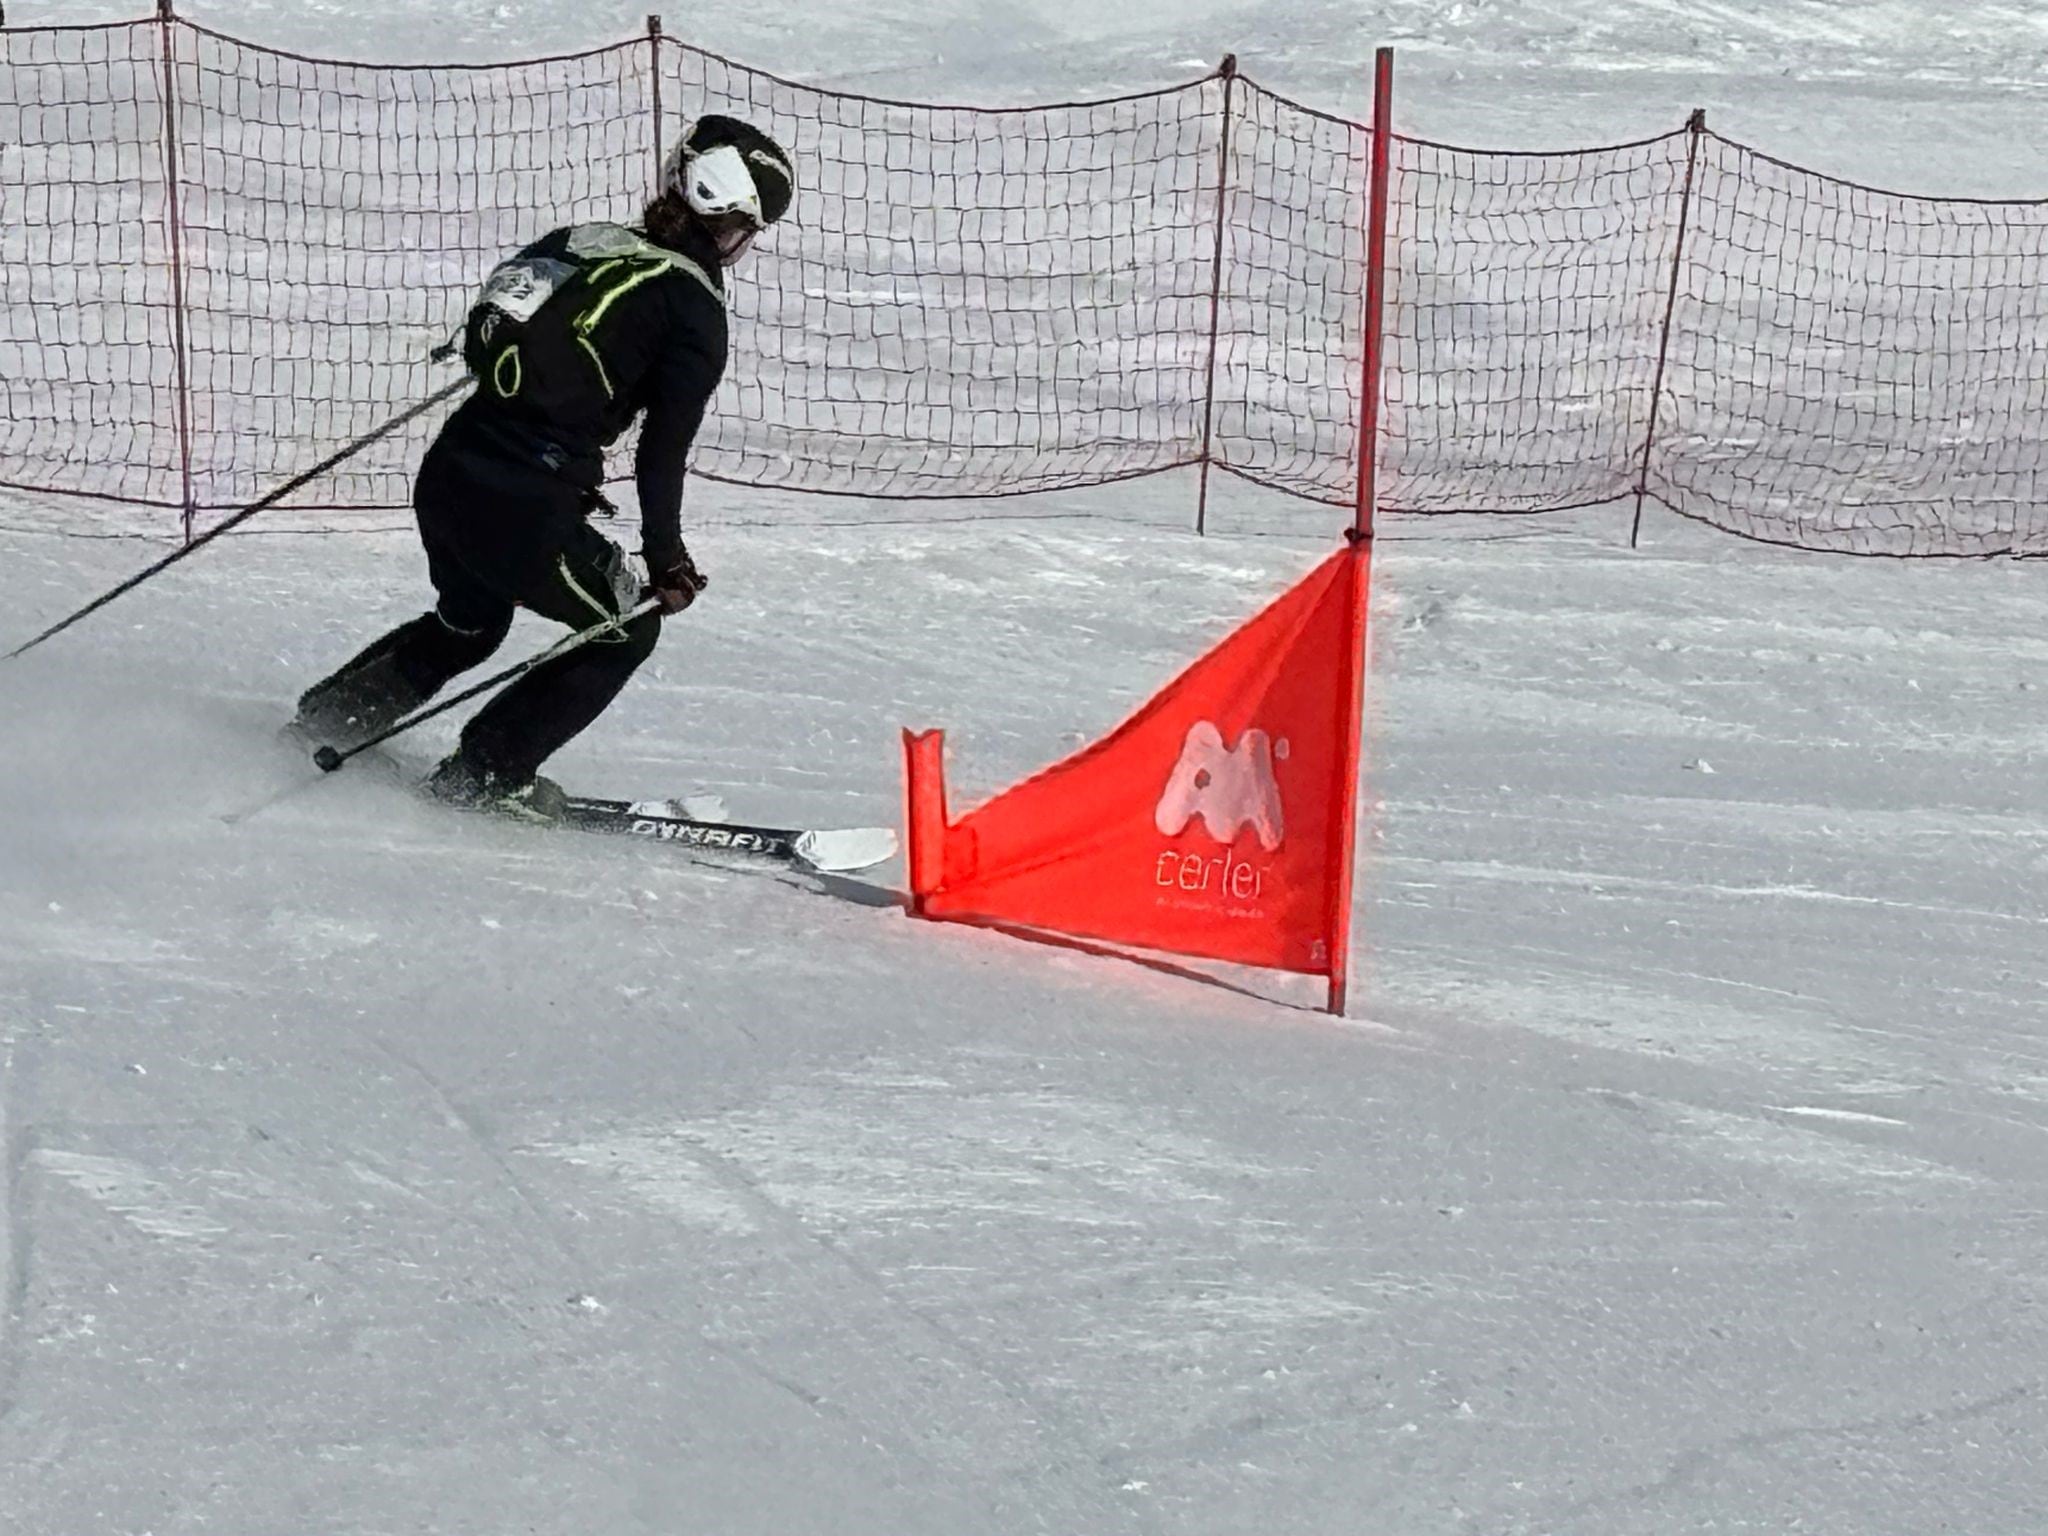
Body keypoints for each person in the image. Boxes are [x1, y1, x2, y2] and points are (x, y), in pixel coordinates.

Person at [292, 115, 795, 820]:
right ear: (725, 217)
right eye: (748, 226)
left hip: (450, 474)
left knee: (471, 622)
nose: (744, 243)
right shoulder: (696, 311)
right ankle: (485, 773)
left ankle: (325, 720)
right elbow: (663, 449)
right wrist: (667, 560)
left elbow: (490, 332)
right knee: (625, 627)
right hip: (526, 508)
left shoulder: (586, 241)